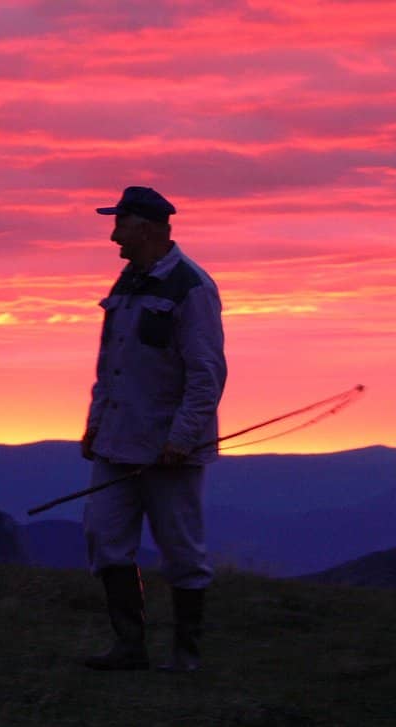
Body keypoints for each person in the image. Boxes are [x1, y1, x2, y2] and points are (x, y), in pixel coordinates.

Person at [81, 186, 227, 672]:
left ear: (144, 228)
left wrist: (181, 440)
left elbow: (206, 375)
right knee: (105, 537)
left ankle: (187, 656)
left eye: (119, 224)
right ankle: (129, 648)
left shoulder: (192, 287)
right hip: (116, 443)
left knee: (182, 550)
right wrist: (95, 425)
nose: (113, 236)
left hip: (169, 451)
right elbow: (110, 365)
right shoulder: (127, 283)